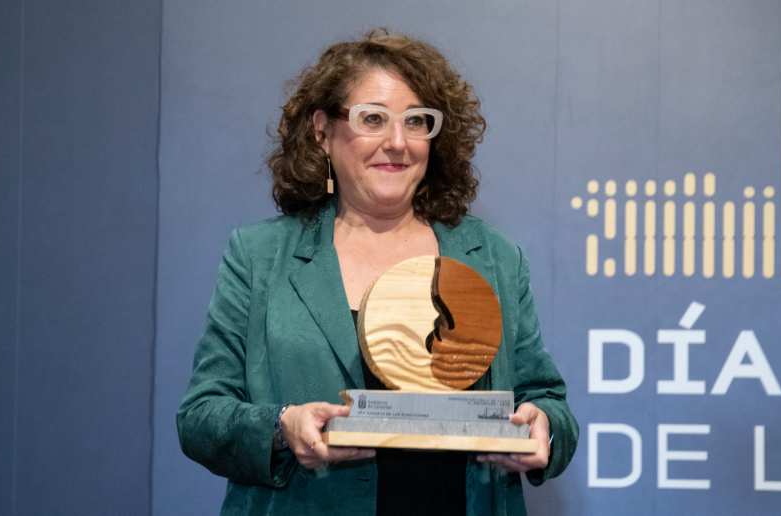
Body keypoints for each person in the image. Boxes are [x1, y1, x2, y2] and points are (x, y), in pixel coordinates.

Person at [177, 28, 578, 516]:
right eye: (373, 119)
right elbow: (200, 417)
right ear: (323, 131)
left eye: (416, 121)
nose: (397, 142)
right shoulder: (259, 256)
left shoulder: (493, 257)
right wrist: (282, 427)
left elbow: (547, 400)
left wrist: (544, 429)